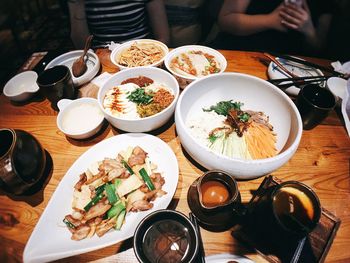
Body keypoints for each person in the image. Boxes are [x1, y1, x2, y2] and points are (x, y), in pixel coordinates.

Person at [212, 0, 335, 56]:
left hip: (290, 68)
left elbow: (318, 49)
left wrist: (309, 30)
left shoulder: (325, 4)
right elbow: (225, 20)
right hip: (238, 51)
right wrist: (270, 20)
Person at [67, 0, 170, 49]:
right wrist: (78, 5)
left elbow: (163, 37)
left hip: (143, 51)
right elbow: (81, 46)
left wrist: (149, 56)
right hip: (100, 58)